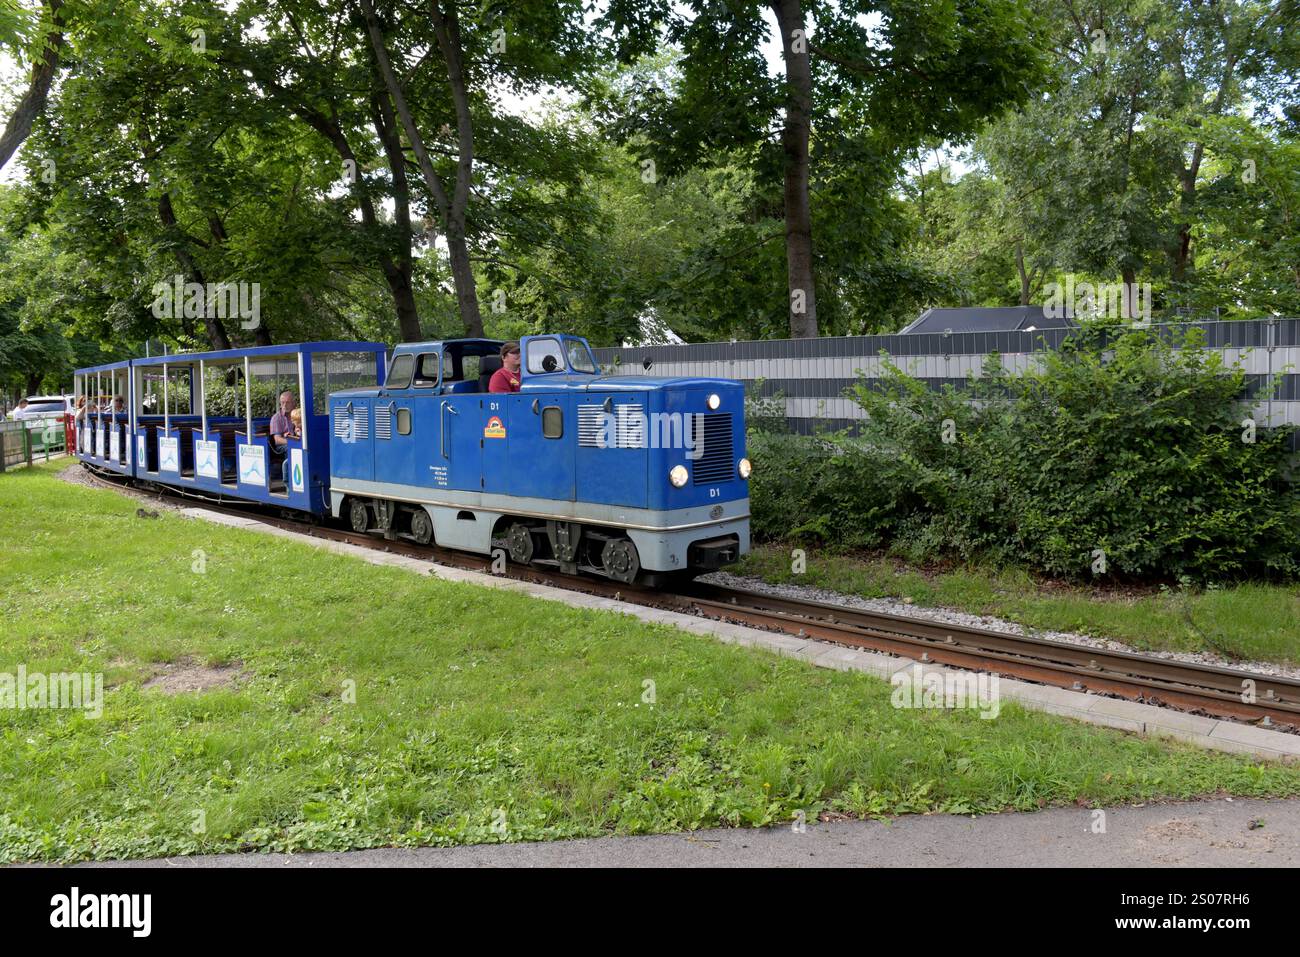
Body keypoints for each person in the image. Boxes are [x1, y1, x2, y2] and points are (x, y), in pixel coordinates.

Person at [269, 390, 297, 483]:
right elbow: (277, 440)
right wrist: (293, 442)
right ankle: (289, 480)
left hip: (296, 442)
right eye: (282, 403)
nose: (285, 405)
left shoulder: (298, 415)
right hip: (281, 447)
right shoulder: (276, 418)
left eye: (288, 402)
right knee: (292, 448)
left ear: (294, 403)